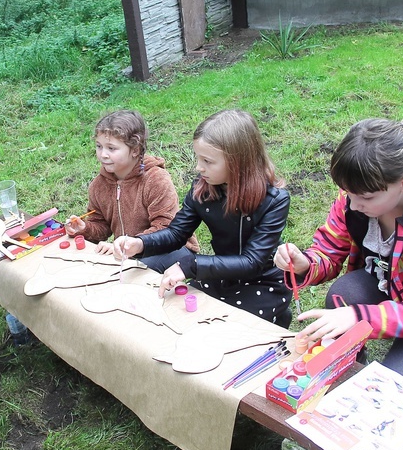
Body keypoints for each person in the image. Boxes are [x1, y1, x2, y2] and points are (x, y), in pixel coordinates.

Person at [273, 118, 403, 393]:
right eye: (348, 193)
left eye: (365, 198)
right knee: (344, 294)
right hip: (392, 286)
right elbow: (329, 249)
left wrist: (358, 317)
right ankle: (350, 364)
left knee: (393, 392)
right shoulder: (360, 192)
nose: (352, 204)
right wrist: (306, 263)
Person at [114, 109, 292, 327]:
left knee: (228, 329)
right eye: (198, 158)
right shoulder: (203, 188)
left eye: (207, 161)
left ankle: (279, 318)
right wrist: (140, 243)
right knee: (181, 316)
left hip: (264, 283)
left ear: (238, 162)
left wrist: (192, 265)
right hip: (220, 275)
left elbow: (252, 262)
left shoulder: (274, 200)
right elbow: (177, 233)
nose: (199, 167)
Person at [65, 109, 199, 273]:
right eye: (99, 146)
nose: (103, 154)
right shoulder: (98, 185)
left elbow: (166, 227)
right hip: (129, 252)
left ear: (135, 149)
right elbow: (101, 226)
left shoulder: (155, 179)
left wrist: (132, 244)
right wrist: (84, 228)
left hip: (174, 249)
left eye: (111, 148)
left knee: (129, 273)